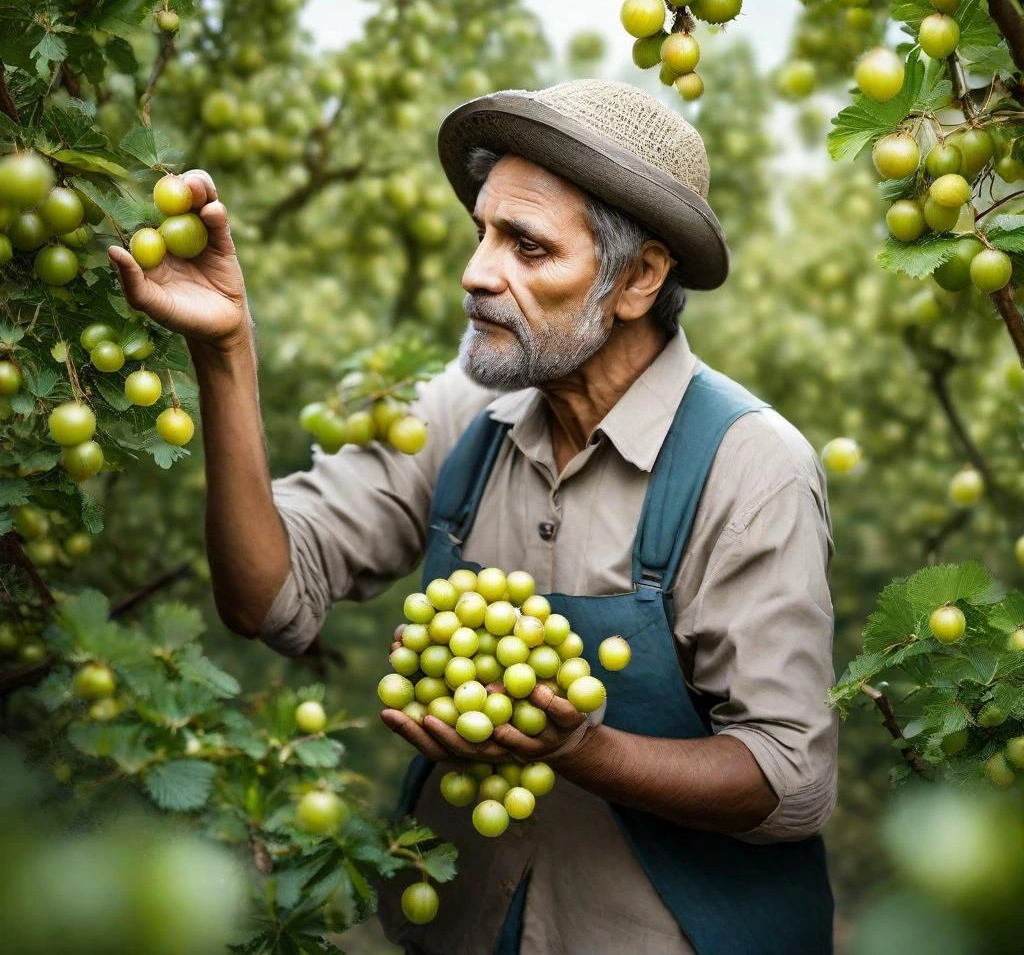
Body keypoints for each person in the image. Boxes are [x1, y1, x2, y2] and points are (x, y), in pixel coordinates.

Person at [108, 79, 839, 955]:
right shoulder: (461, 415)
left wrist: (579, 750)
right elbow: (267, 596)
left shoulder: (750, 466)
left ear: (639, 279)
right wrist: (223, 352)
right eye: (483, 233)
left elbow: (789, 778)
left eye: (527, 247)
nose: (478, 272)